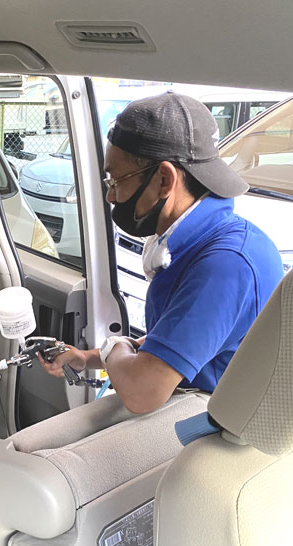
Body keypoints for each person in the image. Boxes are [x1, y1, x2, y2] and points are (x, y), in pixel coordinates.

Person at [39, 92, 283, 413]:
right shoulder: (201, 243)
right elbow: (171, 341)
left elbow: (142, 393)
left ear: (164, 180)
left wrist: (114, 347)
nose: (111, 196)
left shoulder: (225, 265)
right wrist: (87, 358)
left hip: (211, 414)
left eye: (116, 180)